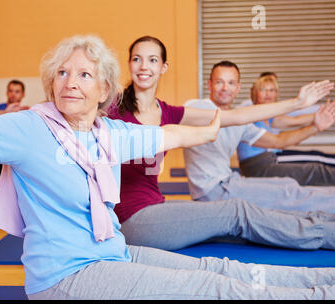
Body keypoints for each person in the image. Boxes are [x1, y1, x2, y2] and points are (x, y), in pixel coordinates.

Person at [0, 36, 334, 300]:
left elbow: (177, 134)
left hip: (111, 250)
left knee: (215, 268)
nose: (70, 82)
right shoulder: (27, 128)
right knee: (208, 292)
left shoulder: (108, 133)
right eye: (62, 73)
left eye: (83, 74)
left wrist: (221, 116)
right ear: (50, 83)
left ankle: (322, 281)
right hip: (67, 281)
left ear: (103, 87)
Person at [107, 35, 335, 252]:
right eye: (137, 59)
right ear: (129, 64)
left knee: (268, 201)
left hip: (155, 206)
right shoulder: (111, 110)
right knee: (238, 212)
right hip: (132, 218)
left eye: (152, 60)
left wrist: (297, 103)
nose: (144, 66)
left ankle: (324, 223)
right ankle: (327, 234)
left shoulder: (168, 112)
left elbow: (238, 117)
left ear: (164, 67)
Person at [182, 60, 335, 215]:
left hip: (229, 182)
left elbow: (278, 141)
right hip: (213, 190)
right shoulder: (197, 107)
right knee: (287, 194)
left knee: (285, 185)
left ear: (238, 88)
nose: (225, 88)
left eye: (231, 83)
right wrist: (297, 103)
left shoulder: (240, 121)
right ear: (209, 85)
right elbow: (231, 117)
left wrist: (315, 127)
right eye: (219, 82)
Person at [237, 74, 335, 185]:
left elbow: (296, 120)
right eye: (263, 90)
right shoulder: (252, 112)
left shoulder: (268, 117)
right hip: (259, 165)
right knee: (316, 168)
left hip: (269, 159)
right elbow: (279, 141)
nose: (268, 94)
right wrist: (316, 127)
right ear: (255, 93)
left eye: (272, 90)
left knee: (316, 156)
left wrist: (322, 116)